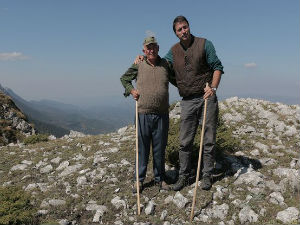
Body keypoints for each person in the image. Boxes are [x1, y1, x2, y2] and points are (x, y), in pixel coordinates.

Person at [135, 16, 224, 191]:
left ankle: (206, 175)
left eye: (185, 27)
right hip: (187, 100)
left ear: (189, 27)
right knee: (184, 141)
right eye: (179, 30)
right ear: (175, 33)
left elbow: (217, 67)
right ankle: (183, 176)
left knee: (208, 139)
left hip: (206, 96)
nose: (183, 31)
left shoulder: (205, 44)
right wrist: (142, 58)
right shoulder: (173, 51)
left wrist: (213, 88)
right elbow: (159, 62)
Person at [120, 36, 176, 193]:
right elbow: (124, 79)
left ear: (158, 48)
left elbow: (177, 80)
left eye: (154, 47)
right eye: (148, 48)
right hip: (142, 113)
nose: (151, 50)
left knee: (160, 148)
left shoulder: (165, 64)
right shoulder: (138, 64)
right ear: (143, 50)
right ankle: (139, 180)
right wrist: (131, 90)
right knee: (142, 148)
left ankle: (160, 178)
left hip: (162, 114)